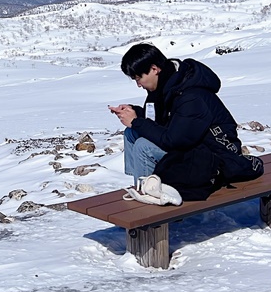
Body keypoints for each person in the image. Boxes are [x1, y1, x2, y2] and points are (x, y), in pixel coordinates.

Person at [108, 43, 263, 202]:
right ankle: (144, 185)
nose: (138, 84)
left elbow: (175, 140)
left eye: (139, 78)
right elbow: (163, 122)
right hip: (190, 147)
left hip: (213, 157)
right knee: (131, 133)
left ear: (154, 69)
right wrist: (135, 114)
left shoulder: (190, 95)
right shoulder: (163, 86)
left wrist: (136, 121)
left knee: (143, 146)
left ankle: (151, 201)